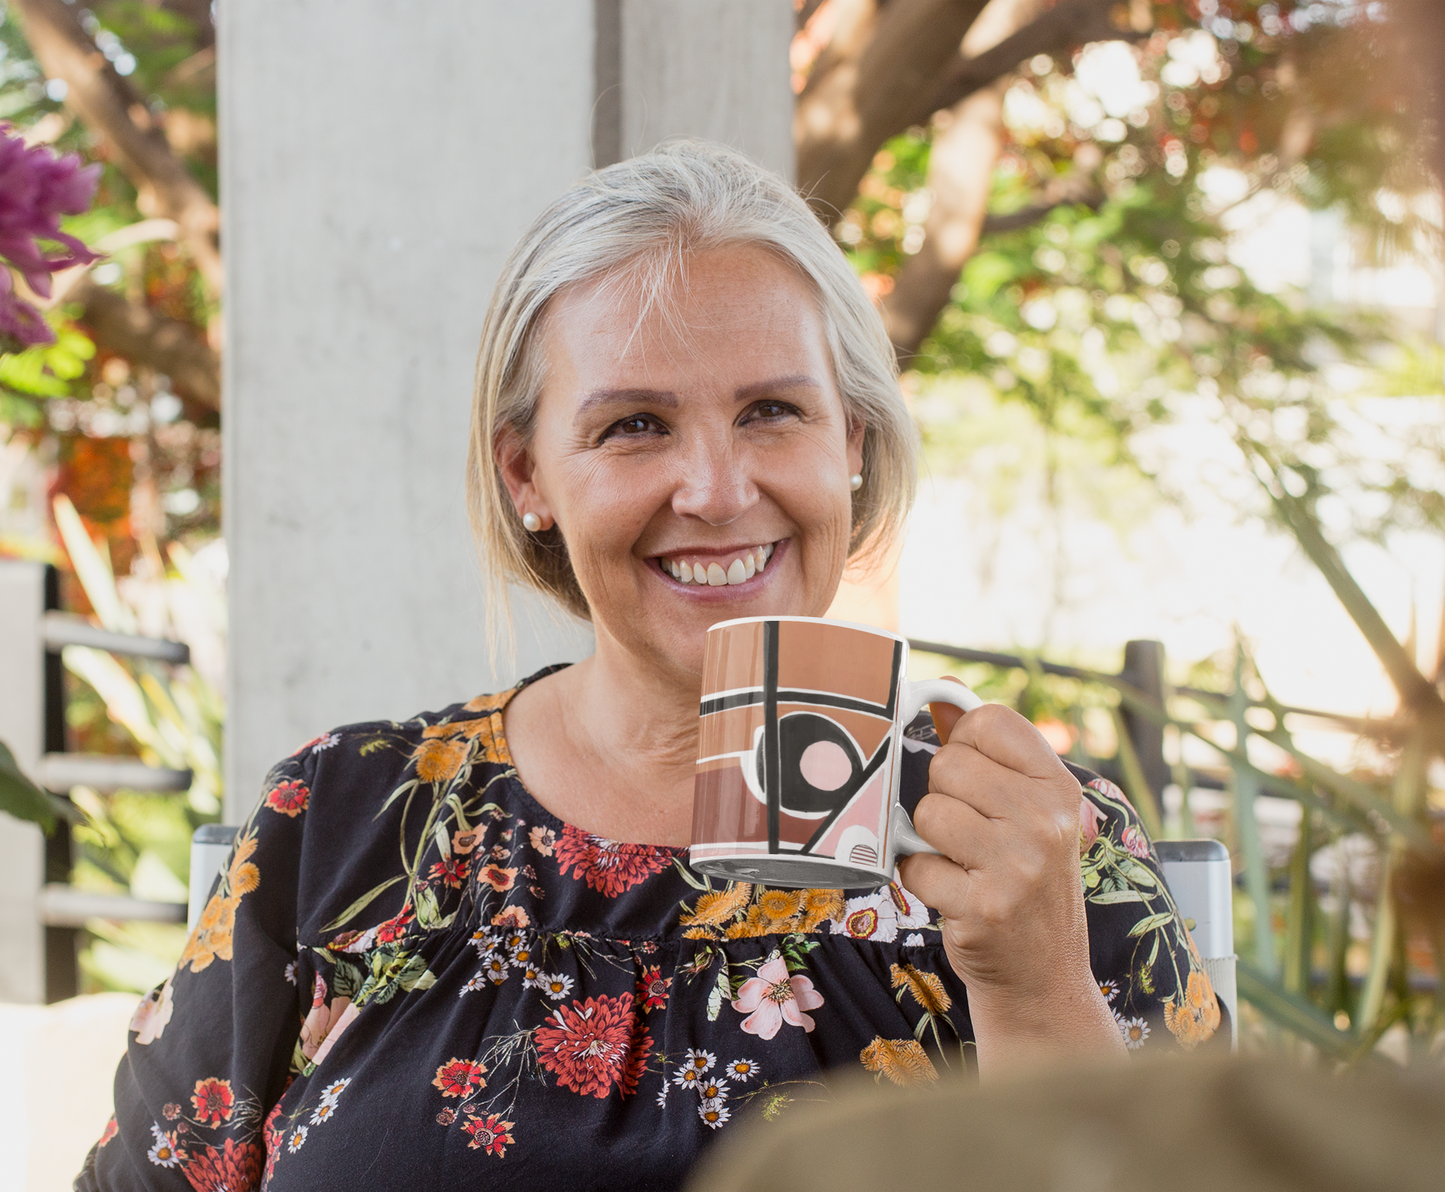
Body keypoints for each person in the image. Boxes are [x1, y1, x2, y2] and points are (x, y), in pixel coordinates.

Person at [77, 141, 1221, 1192]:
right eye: (633, 425)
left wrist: (1035, 990)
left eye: (774, 410)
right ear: (527, 473)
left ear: (851, 448)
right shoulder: (346, 820)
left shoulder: (1034, 857)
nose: (717, 491)